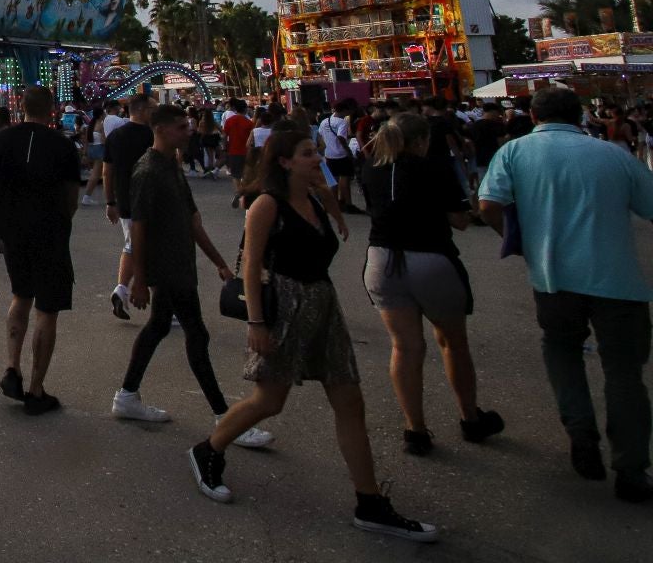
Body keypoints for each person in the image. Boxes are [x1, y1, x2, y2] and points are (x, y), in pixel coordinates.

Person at [191, 122, 437, 541]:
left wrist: (336, 214)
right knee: (270, 400)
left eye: (316, 151)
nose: (318, 158)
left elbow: (331, 217)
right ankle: (208, 449)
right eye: (308, 153)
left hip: (323, 305)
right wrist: (256, 321)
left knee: (349, 400)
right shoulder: (266, 205)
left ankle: (370, 501)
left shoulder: (316, 199)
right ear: (284, 161)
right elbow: (251, 266)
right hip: (283, 308)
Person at [477, 83, 653, 502]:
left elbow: (487, 205)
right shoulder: (613, 154)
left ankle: (581, 434)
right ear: (580, 117)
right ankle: (631, 468)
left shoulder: (515, 152)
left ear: (534, 117)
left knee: (561, 350)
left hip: (552, 277)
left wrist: (518, 243)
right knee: (625, 375)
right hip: (618, 280)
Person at [114, 105, 273, 449]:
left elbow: (192, 221)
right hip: (167, 270)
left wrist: (218, 262)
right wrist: (138, 280)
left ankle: (127, 396)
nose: (190, 132)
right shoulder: (148, 171)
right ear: (160, 129)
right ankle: (225, 418)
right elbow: (137, 229)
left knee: (158, 328)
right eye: (181, 128)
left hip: (180, 265)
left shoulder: (171, 165)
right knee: (196, 335)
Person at [358, 115, 502, 456]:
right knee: (452, 342)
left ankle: (415, 429)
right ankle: (470, 418)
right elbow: (459, 220)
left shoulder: (371, 169)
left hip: (382, 261)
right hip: (430, 258)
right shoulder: (433, 168)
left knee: (404, 347)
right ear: (421, 141)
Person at [0, 87, 80, 414]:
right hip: (50, 232)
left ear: (20, 107)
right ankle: (36, 389)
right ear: (51, 110)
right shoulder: (63, 146)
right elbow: (71, 196)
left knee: (21, 295)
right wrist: (62, 222)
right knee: (47, 310)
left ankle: (12, 366)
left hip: (13, 232)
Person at [102, 96, 155, 320]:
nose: (156, 112)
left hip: (124, 200)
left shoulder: (115, 136)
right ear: (142, 111)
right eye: (153, 108)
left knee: (131, 245)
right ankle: (163, 305)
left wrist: (110, 201)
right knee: (152, 249)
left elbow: (107, 171)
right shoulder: (151, 135)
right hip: (149, 199)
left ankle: (121, 289)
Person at [318, 100, 360, 213]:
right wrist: (348, 151)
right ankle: (348, 203)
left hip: (329, 154)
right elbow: (341, 137)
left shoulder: (324, 121)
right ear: (345, 110)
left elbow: (320, 135)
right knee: (345, 178)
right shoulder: (342, 122)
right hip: (341, 154)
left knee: (333, 180)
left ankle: (334, 203)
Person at [222, 98, 254, 183]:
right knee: (247, 174)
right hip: (246, 152)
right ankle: (244, 191)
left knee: (236, 176)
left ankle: (238, 192)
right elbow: (252, 140)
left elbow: (224, 136)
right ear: (245, 109)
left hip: (233, 151)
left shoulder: (229, 121)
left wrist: (224, 148)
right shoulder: (249, 123)